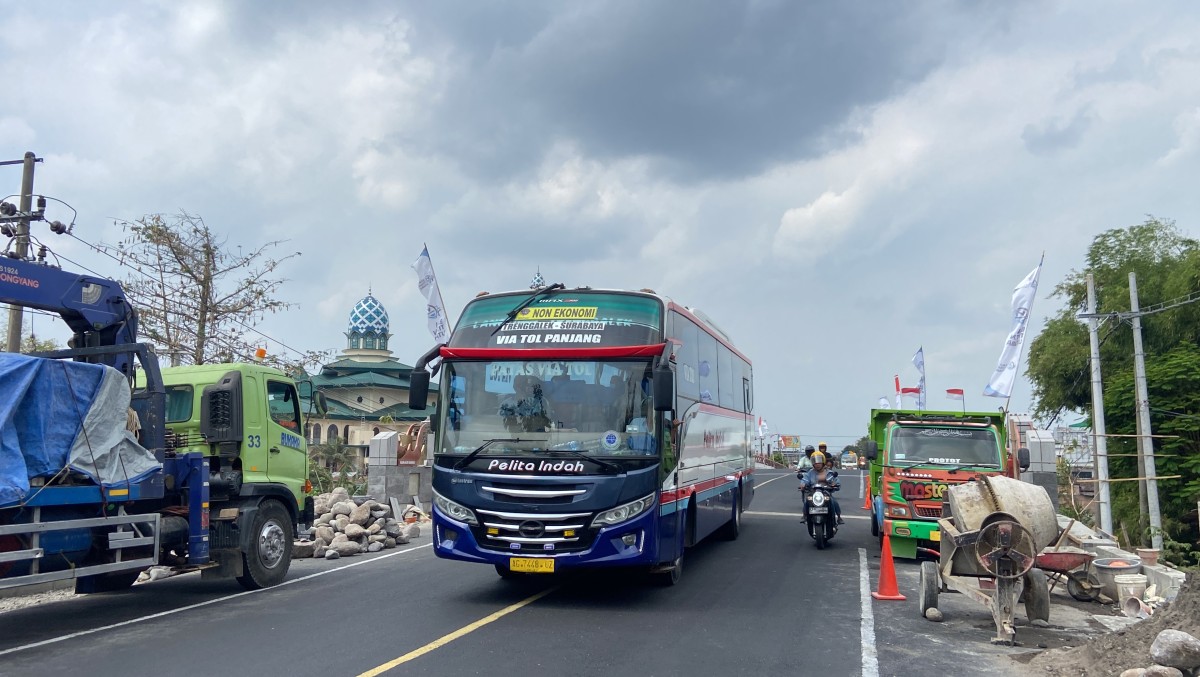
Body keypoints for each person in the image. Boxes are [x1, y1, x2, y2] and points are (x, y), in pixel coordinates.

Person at [798, 451, 843, 524]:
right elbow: (804, 480)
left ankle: (839, 517)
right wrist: (803, 485)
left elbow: (837, 482)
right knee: (807, 501)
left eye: (819, 461)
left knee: (833, 502)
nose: (817, 464)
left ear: (823, 461)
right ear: (812, 463)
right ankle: (804, 516)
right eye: (814, 461)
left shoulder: (829, 473)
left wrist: (835, 484)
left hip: (826, 493)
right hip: (813, 493)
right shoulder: (810, 473)